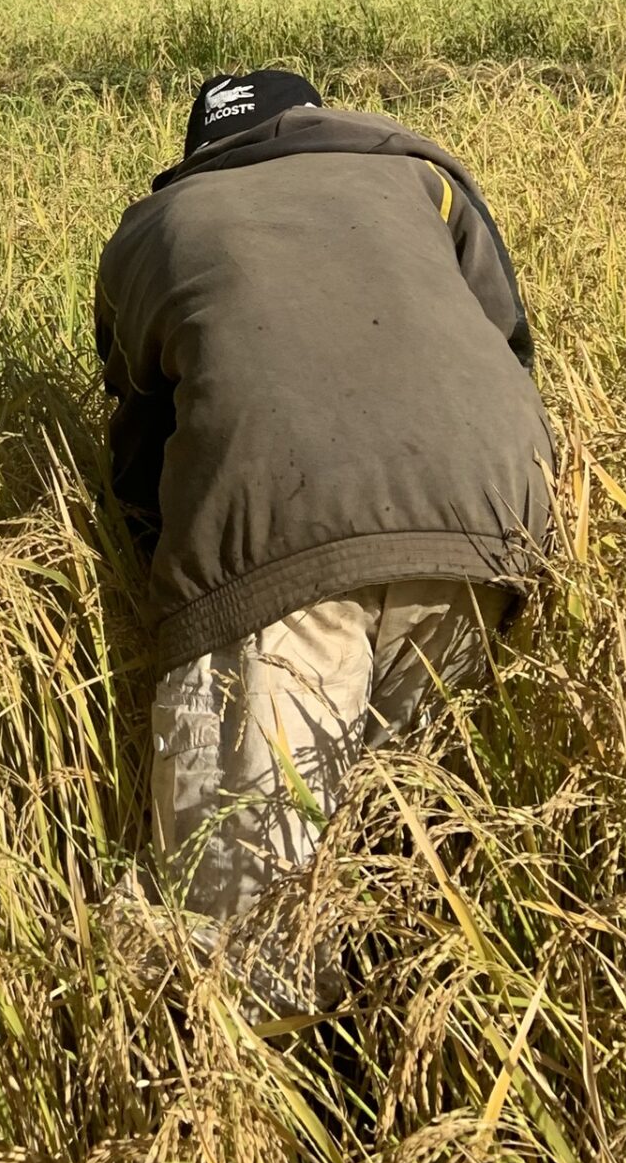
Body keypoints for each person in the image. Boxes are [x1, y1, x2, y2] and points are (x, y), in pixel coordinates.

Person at [95, 69, 555, 993]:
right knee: (414, 871)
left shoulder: (152, 230)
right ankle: (401, 1080)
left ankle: (274, 1114)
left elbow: (138, 452)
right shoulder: (420, 177)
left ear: (197, 158)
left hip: (273, 541)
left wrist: (171, 594)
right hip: (488, 530)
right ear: (315, 122)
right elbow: (510, 345)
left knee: (247, 946)